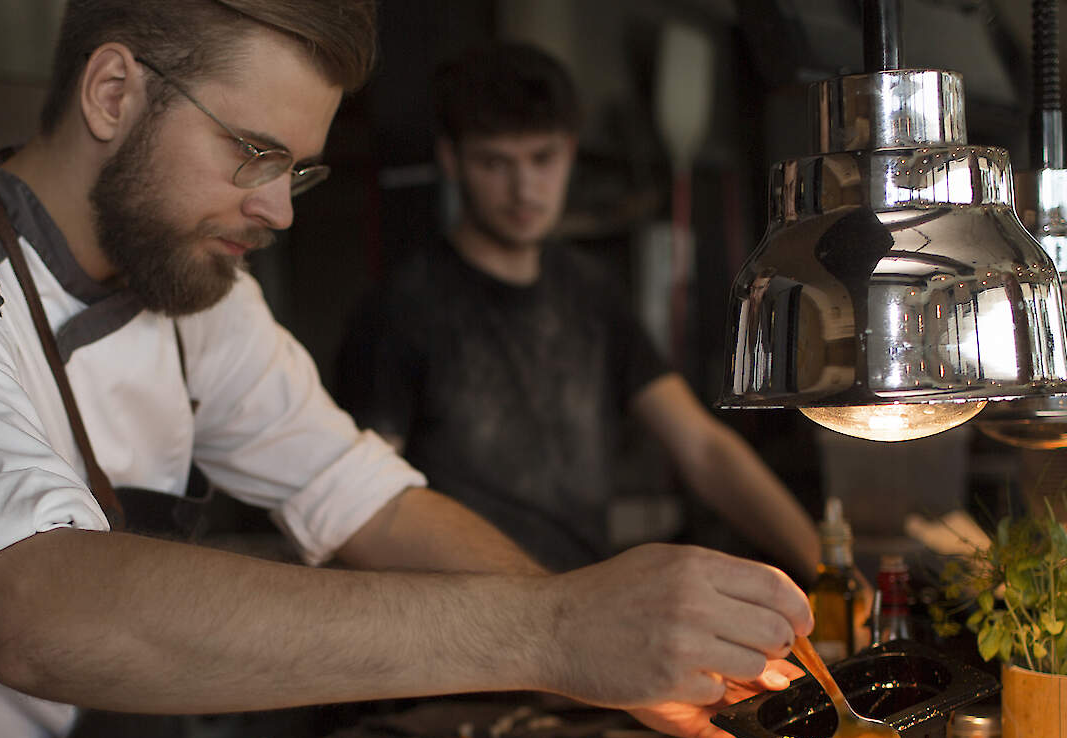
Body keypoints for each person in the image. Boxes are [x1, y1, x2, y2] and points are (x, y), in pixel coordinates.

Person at [0, 0, 811, 738]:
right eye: (252, 155)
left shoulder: (193, 291)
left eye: (295, 167)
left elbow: (362, 497)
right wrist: (556, 630)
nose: (280, 208)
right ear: (114, 92)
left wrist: (608, 662)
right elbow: (39, 614)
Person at [334, 42, 819, 579]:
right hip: (459, 625)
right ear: (452, 160)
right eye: (495, 162)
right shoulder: (398, 310)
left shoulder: (591, 293)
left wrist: (829, 567)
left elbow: (704, 449)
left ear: (569, 150)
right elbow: (368, 509)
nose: (524, 189)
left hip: (584, 612)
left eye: (542, 158)